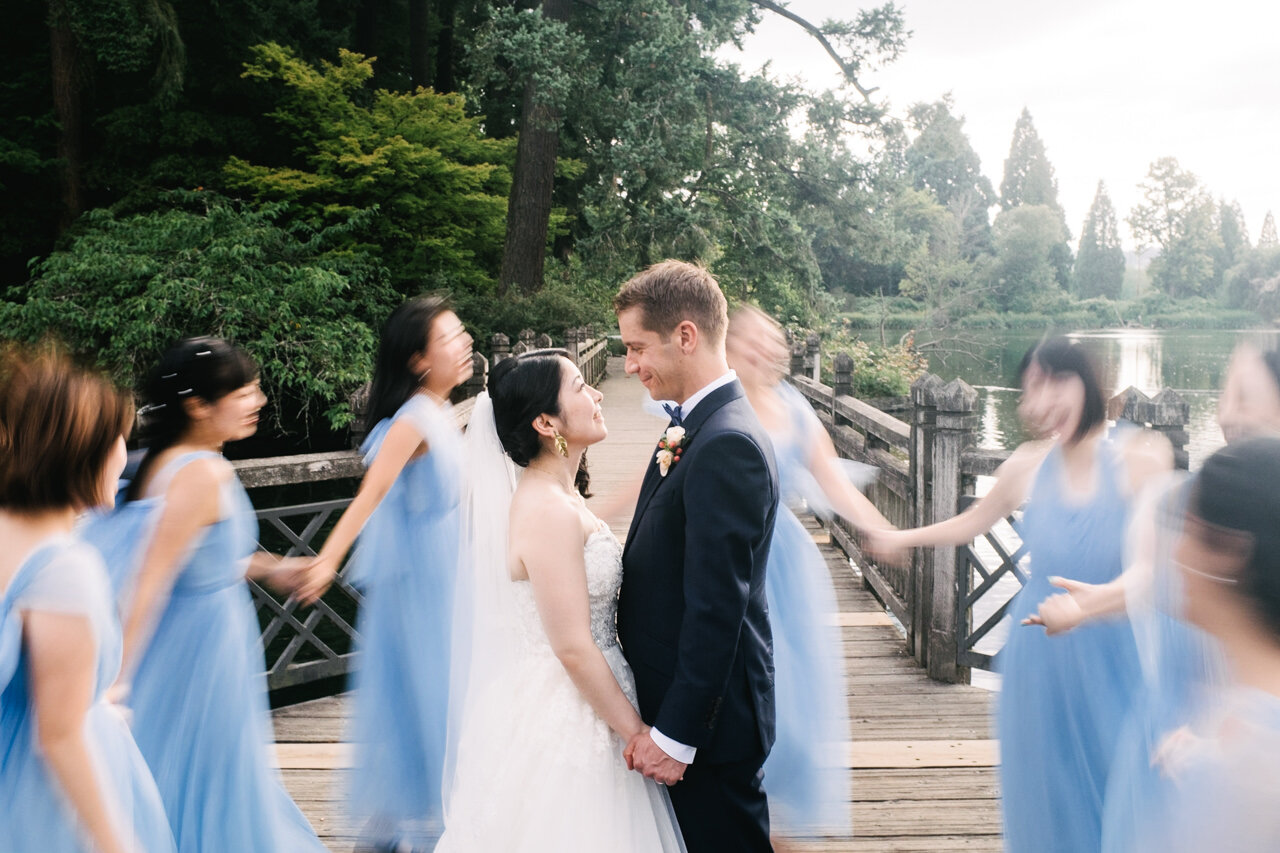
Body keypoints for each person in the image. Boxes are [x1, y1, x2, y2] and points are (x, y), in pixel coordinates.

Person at [865, 336, 1171, 853]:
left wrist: (1086, 606)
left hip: (1109, 657)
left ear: (1087, 381)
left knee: (1120, 799)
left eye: (1054, 382)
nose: (1042, 401)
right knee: (1048, 802)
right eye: (1031, 390)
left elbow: (1150, 571)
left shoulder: (1140, 456)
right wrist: (901, 538)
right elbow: (970, 523)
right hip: (1039, 658)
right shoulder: (1029, 463)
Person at [1024, 342, 1280, 852]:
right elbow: (1153, 579)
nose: (1226, 413)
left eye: (1245, 396)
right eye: (1226, 394)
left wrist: (1230, 753)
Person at [435, 349, 685, 851]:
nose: (597, 394)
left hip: (598, 691)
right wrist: (637, 735)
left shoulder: (560, 495)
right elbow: (571, 645)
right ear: (547, 422)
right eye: (580, 387)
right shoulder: (546, 510)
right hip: (570, 709)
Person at [82, 337, 325, 853]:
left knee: (185, 770)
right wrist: (116, 683)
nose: (257, 401)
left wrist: (269, 567)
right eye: (244, 392)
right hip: (200, 654)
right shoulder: (201, 472)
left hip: (194, 640)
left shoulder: (167, 461)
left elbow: (195, 559)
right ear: (197, 406)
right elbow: (148, 580)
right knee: (210, 778)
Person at [295, 296, 473, 852]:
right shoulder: (414, 419)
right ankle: (409, 833)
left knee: (441, 704)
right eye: (449, 338)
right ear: (418, 360)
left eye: (461, 332)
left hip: (448, 575)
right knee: (427, 705)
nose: (464, 343)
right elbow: (368, 498)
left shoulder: (444, 411)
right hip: (422, 587)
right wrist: (326, 559)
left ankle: (399, 834)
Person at [614, 261, 780, 852]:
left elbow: (717, 608)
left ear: (686, 335)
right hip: (675, 709)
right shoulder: (694, 425)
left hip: (710, 731)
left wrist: (677, 736)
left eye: (637, 348)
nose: (630, 365)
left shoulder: (727, 442)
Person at [0, 348, 175, 853]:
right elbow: (58, 735)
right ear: (82, 451)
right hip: (43, 802)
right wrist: (117, 844)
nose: (125, 456)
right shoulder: (62, 569)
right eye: (120, 440)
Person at [726, 305, 888, 840]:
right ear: (729, 346)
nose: (765, 351)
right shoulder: (715, 398)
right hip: (729, 558)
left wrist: (878, 527)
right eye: (753, 341)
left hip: (785, 566)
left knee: (791, 704)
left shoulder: (794, 409)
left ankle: (786, 820)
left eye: (773, 341)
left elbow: (832, 482)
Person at [1130, 436, 1280, 850]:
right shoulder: (1241, 726)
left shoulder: (1251, 766)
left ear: (1230, 553)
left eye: (1190, 531)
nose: (1175, 553)